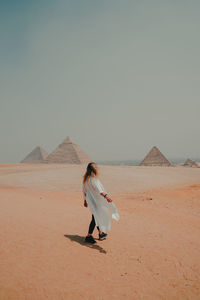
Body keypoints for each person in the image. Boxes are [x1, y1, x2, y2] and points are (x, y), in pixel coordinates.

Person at [82, 162, 119, 244]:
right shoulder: (93, 179)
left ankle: (100, 233)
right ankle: (88, 236)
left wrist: (85, 200)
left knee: (96, 217)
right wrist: (107, 197)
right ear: (93, 170)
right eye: (96, 167)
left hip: (92, 201)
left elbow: (84, 191)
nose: (97, 168)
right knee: (95, 218)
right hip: (97, 201)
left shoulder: (85, 179)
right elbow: (100, 191)